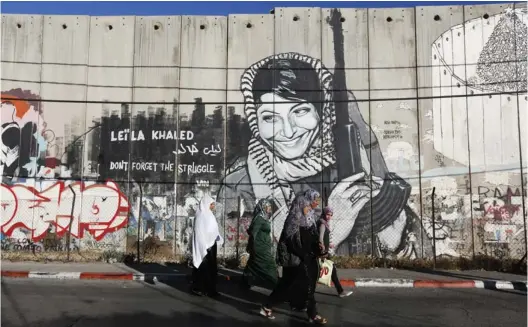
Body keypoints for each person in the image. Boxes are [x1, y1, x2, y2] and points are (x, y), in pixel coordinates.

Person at [217, 52, 432, 261]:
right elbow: (236, 256)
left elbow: (425, 256)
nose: (288, 132)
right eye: (270, 117)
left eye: (300, 111)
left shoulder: (352, 173)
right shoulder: (239, 186)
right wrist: (332, 234)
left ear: (321, 111)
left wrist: (397, 242)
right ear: (256, 120)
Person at [260, 195, 327, 324]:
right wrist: (304, 255)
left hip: (304, 259)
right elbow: (291, 243)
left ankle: (268, 306)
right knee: (289, 287)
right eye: (306, 206)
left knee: (294, 286)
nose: (308, 208)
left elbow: (310, 239)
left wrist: (319, 249)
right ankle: (311, 314)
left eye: (308, 206)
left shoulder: (306, 220)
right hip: (294, 261)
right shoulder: (293, 220)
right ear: (300, 206)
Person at [190, 194, 224, 297]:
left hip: (211, 245)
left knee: (212, 268)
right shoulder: (200, 216)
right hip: (203, 247)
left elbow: (213, 230)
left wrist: (217, 238)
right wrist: (203, 245)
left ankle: (211, 290)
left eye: (213, 204)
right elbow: (199, 233)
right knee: (202, 268)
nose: (213, 206)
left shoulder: (210, 215)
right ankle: (198, 288)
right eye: (211, 204)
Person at [242, 198, 279, 289]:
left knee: (253, 264)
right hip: (260, 247)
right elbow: (253, 233)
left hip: (264, 246)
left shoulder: (263, 217)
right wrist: (251, 246)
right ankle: (274, 283)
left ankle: (246, 281)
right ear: (263, 207)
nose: (270, 208)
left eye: (270, 206)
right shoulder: (259, 218)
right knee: (269, 265)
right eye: (268, 206)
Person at [318, 206, 353, 298]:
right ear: (324, 213)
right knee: (330, 270)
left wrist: (328, 245)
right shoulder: (322, 224)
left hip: (323, 252)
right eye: (327, 214)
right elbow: (320, 238)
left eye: (330, 215)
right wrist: (323, 251)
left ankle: (340, 291)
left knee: (331, 271)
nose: (329, 216)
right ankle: (340, 291)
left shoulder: (324, 223)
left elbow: (323, 239)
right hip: (322, 253)